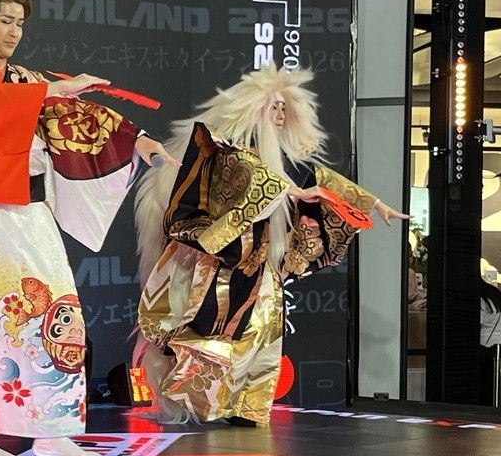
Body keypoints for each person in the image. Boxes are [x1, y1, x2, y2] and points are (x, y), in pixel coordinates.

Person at [0, 0, 176, 456]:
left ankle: (52, 429)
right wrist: (52, 88)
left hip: (31, 211)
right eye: (6, 21)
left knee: (58, 316)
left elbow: (78, 115)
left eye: (20, 24)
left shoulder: (25, 80)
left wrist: (140, 141)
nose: (14, 32)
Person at [133, 64, 408, 427]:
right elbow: (255, 182)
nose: (280, 114)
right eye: (273, 107)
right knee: (215, 331)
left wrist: (373, 203)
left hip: (260, 264)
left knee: (263, 330)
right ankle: (202, 399)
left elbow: (324, 180)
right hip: (223, 263)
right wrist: (293, 190)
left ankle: (246, 406)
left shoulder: (281, 161)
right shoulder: (230, 153)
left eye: (283, 107)